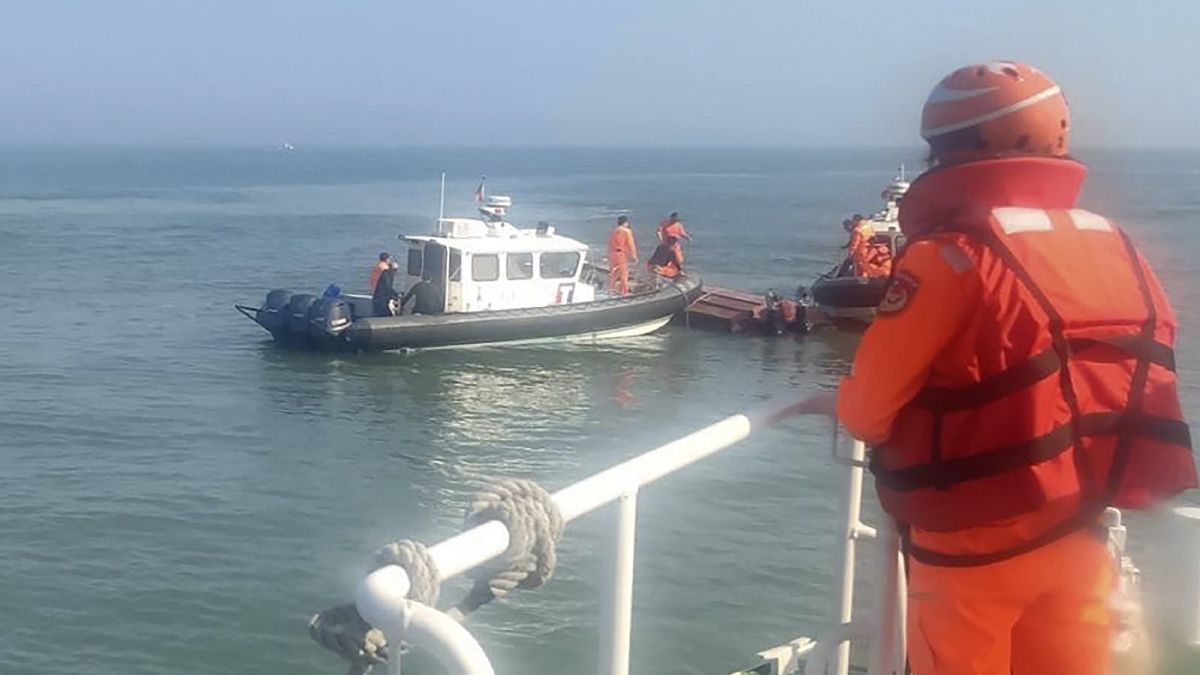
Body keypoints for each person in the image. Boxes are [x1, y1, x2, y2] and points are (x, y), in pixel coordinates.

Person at [802, 61, 1195, 675]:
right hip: (1082, 526)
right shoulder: (1112, 242)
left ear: (949, 151)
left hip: (971, 548)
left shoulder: (947, 259)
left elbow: (864, 412)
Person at [607, 215, 639, 295]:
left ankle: (610, 289)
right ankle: (624, 292)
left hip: (612, 253)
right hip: (620, 254)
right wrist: (634, 256)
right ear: (625, 222)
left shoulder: (613, 231)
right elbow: (631, 244)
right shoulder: (626, 231)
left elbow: (610, 243)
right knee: (623, 273)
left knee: (613, 272)